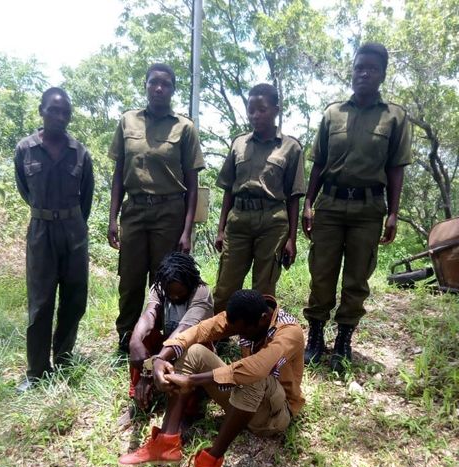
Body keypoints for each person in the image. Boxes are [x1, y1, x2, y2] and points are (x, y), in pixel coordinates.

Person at [118, 289, 305, 467]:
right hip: (246, 400)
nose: (237, 334)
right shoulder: (247, 315)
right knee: (194, 351)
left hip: (274, 415)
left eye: (242, 330)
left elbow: (256, 368)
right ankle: (166, 444)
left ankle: (210, 463)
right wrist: (160, 359)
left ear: (263, 320)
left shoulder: (289, 332)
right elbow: (197, 331)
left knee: (254, 374)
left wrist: (192, 380)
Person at [302, 42, 411, 373]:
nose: (364, 73)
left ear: (382, 74)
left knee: (357, 276)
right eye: (359, 67)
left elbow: (396, 168)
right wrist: (308, 202)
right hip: (330, 204)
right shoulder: (333, 113)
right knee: (322, 273)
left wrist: (393, 212)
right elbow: (318, 163)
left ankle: (344, 338)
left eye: (371, 68)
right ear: (353, 71)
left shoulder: (394, 117)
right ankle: (316, 335)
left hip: (368, 208)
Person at [108, 63, 205, 352]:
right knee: (130, 278)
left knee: (164, 279)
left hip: (169, 212)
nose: (159, 88)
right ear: (146, 85)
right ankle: (127, 337)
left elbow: (192, 183)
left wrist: (187, 230)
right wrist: (113, 218)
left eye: (165, 84)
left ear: (173, 89)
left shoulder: (184, 128)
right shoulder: (128, 121)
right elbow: (118, 173)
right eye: (153, 83)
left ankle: (158, 338)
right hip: (135, 211)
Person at [14, 87, 94, 392]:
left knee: (75, 298)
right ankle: (36, 371)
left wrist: (71, 222)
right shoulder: (25, 149)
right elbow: (25, 189)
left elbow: (86, 196)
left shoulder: (80, 152)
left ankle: (63, 358)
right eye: (53, 110)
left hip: (74, 231)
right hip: (40, 232)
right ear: (41, 111)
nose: (59, 117)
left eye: (65, 112)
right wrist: (46, 214)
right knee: (40, 302)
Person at [213, 83, 305, 314]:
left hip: (272, 223)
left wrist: (292, 239)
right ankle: (219, 335)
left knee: (264, 288)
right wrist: (221, 228)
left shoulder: (290, 147)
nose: (255, 115)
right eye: (251, 109)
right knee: (226, 284)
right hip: (239, 219)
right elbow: (228, 189)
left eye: (261, 109)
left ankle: (260, 340)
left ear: (276, 109)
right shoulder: (239, 144)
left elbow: (294, 197)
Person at [124, 252, 213, 418]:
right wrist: (135, 342)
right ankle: (140, 397)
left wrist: (156, 361)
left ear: (190, 283)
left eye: (180, 293)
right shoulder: (160, 286)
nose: (174, 297)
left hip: (194, 348)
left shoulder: (202, 291)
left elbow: (186, 330)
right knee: (142, 336)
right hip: (168, 348)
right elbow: (149, 315)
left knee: (192, 348)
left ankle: (188, 411)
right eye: (170, 293)